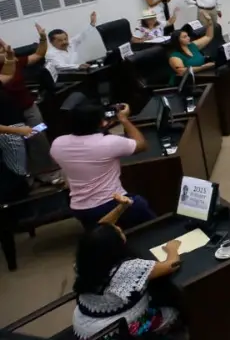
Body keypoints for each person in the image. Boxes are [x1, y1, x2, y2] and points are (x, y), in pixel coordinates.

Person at [71, 194, 181, 338]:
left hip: (85, 328)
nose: (119, 229)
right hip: (114, 333)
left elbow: (99, 231)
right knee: (172, 312)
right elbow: (171, 265)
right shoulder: (128, 269)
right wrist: (172, 248)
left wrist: (122, 207)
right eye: (118, 232)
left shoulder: (85, 260)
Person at [50, 99, 156, 228]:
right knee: (142, 208)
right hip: (110, 205)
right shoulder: (109, 142)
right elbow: (141, 145)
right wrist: (124, 119)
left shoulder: (58, 144)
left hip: (79, 209)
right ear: (101, 122)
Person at [0, 29, 55, 180]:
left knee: (39, 137)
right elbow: (6, 76)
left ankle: (46, 173)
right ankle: (24, 179)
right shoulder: (8, 68)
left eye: (3, 48)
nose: (3, 51)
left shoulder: (15, 62)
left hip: (29, 107)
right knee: (16, 146)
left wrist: (43, 38)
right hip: (7, 116)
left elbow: (38, 54)